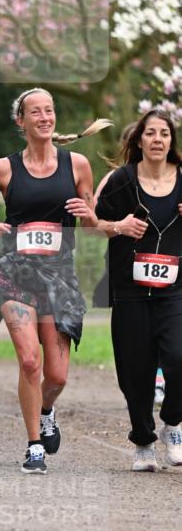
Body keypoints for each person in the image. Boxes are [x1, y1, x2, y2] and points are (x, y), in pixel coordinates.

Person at [0, 87, 108, 474]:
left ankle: (47, 410)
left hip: (59, 276)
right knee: (29, 360)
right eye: (36, 112)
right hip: (14, 273)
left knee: (57, 374)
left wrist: (90, 213)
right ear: (22, 121)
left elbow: (92, 224)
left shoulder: (78, 164)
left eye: (50, 110)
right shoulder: (2, 168)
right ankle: (34, 446)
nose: (45, 117)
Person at [94, 107, 182, 471]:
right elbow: (93, 222)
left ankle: (173, 424)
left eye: (164, 133)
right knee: (135, 371)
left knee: (179, 357)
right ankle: (143, 442)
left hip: (176, 289)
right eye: (150, 133)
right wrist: (118, 226)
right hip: (130, 290)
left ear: (171, 140)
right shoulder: (121, 181)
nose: (157, 139)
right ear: (139, 139)